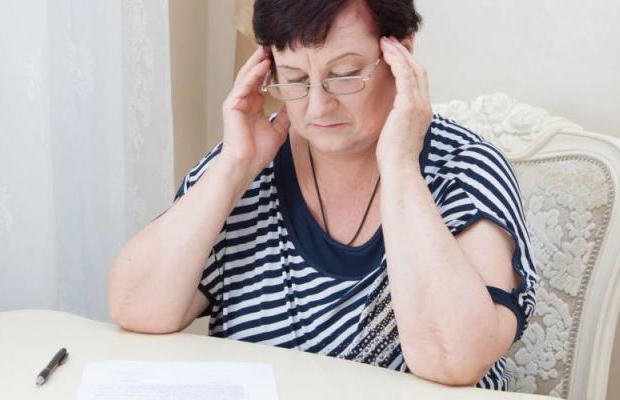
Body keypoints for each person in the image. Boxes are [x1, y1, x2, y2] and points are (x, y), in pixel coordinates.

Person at [108, 0, 537, 390]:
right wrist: (233, 168)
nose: (316, 107)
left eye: (344, 75)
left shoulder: (465, 169)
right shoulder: (247, 163)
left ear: (400, 53)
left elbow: (455, 360)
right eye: (293, 79)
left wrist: (402, 166)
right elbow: (137, 308)